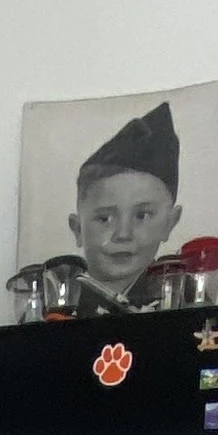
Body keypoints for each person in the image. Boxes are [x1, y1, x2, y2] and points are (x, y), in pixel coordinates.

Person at [67, 98, 182, 310]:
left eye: (142, 215)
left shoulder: (182, 307)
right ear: (77, 229)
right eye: (104, 219)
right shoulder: (61, 311)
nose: (123, 234)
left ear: (170, 223)